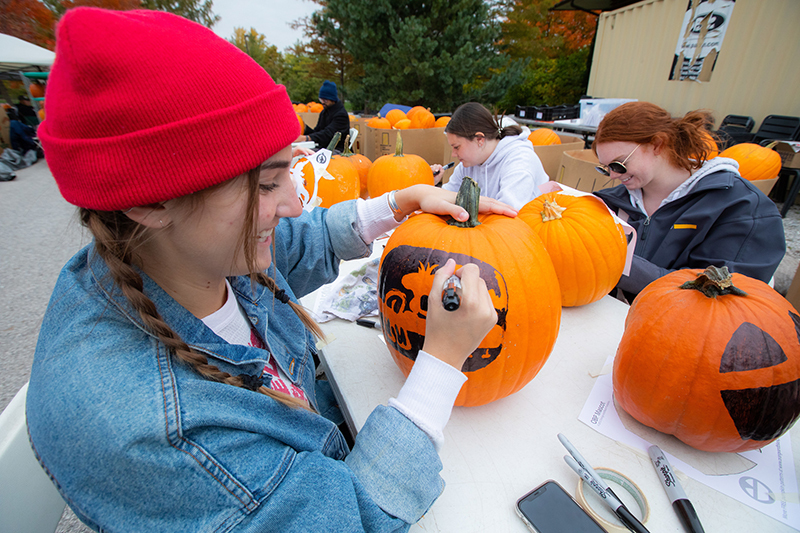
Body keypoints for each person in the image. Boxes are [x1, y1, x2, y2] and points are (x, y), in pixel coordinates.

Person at [27, 8, 516, 532]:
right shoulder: (159, 435)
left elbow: (298, 242)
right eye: (265, 185)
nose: (293, 204)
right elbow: (352, 520)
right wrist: (441, 364)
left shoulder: (181, 252)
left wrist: (399, 201)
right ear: (150, 202)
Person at [592, 101, 785, 301]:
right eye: (605, 168)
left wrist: (610, 261)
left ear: (658, 144)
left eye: (619, 164)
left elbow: (712, 296)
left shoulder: (742, 207)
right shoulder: (615, 201)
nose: (613, 175)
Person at [431, 102, 549, 210]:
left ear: (479, 140)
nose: (453, 154)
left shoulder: (520, 161)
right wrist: (430, 183)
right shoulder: (469, 163)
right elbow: (446, 196)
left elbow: (508, 213)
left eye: (457, 147)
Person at [296, 80, 350, 152]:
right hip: (324, 147)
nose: (322, 102)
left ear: (332, 99)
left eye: (325, 100)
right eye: (321, 99)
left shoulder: (341, 115)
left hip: (337, 149)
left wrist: (306, 138)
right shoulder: (325, 112)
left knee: (307, 154)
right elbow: (317, 131)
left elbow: (328, 134)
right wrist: (304, 127)